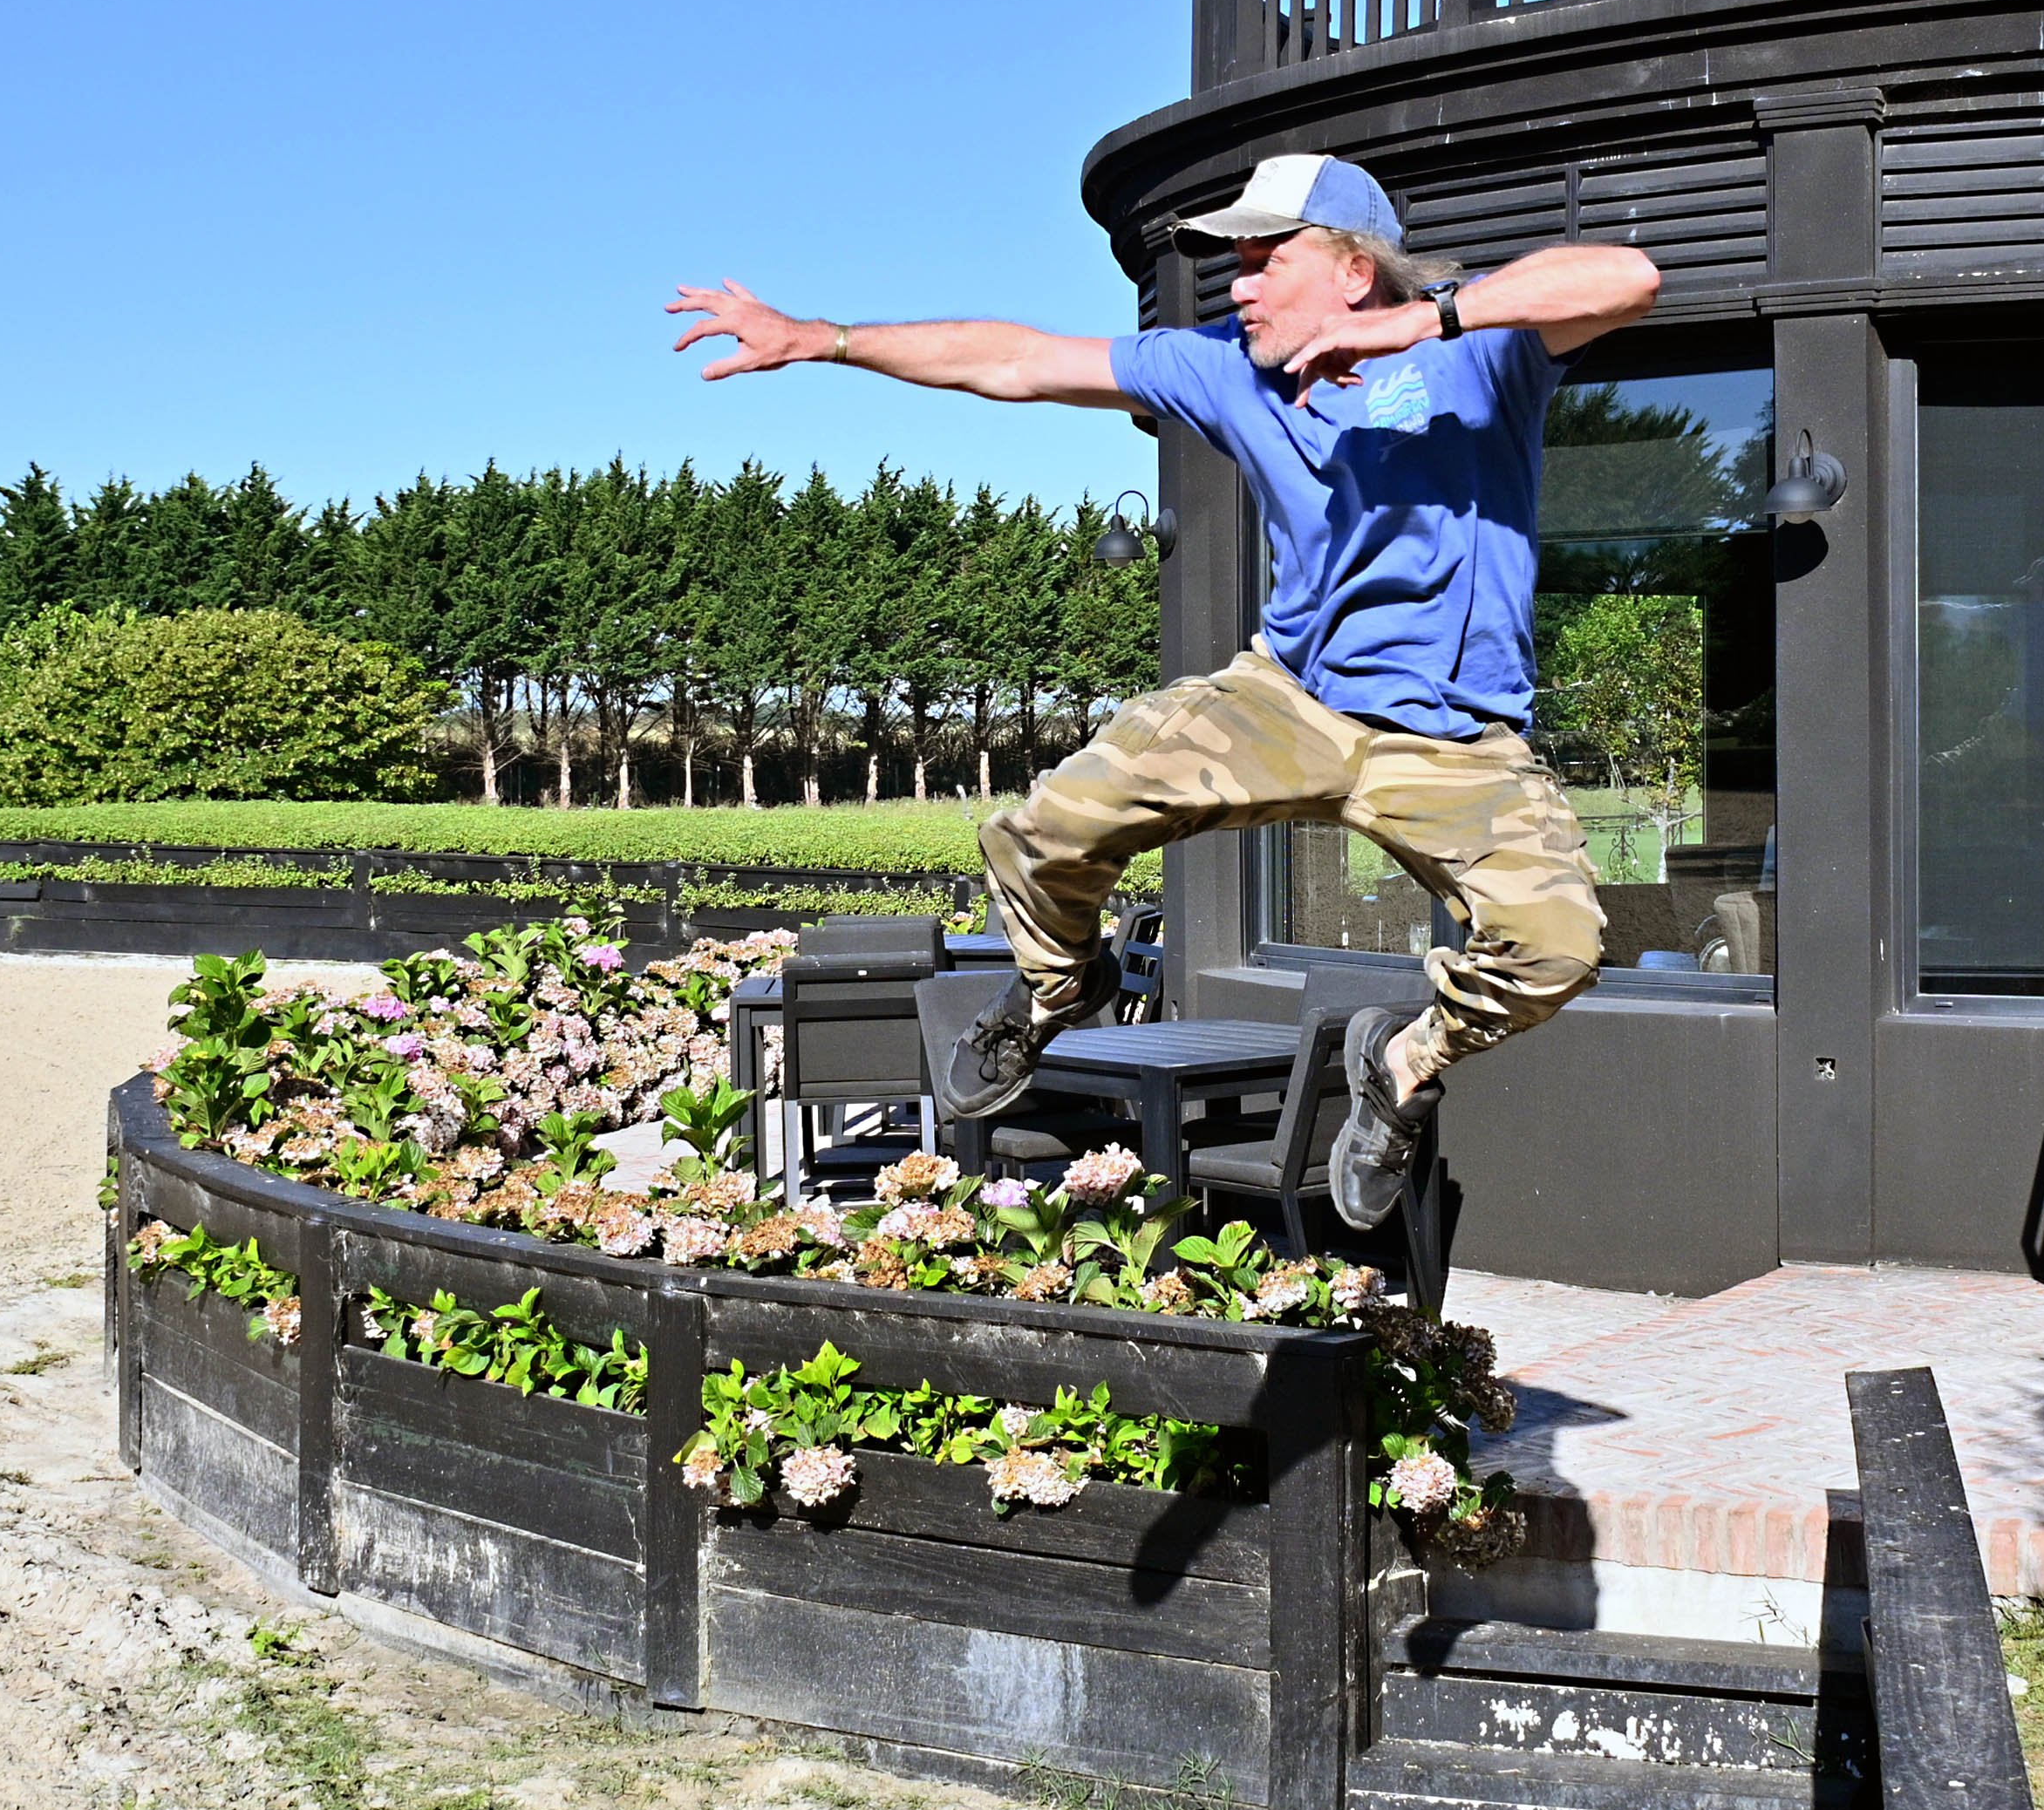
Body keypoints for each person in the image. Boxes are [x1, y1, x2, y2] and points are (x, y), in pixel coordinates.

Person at [668, 153, 1659, 1231]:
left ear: (1353, 268)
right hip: (1293, 700)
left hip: (1452, 736)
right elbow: (1020, 360)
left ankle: (1405, 1065)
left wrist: (1424, 325)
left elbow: (1627, 281)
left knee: (1555, 951)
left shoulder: (1485, 353)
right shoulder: (1225, 364)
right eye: (1231, 263)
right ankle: (1056, 990)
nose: (1238, 285)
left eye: (1263, 260)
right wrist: (825, 339)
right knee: (1048, 828)